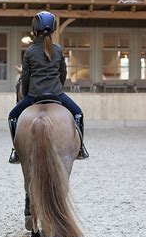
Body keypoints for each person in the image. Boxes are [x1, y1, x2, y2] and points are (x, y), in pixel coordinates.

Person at [7, 11, 89, 164]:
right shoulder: (57, 49)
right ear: (52, 30)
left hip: (34, 94)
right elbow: (62, 73)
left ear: (34, 30)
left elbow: (26, 77)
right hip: (56, 94)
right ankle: (81, 148)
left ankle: (16, 151)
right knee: (78, 114)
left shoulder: (30, 51)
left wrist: (26, 94)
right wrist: (57, 86)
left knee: (12, 116)